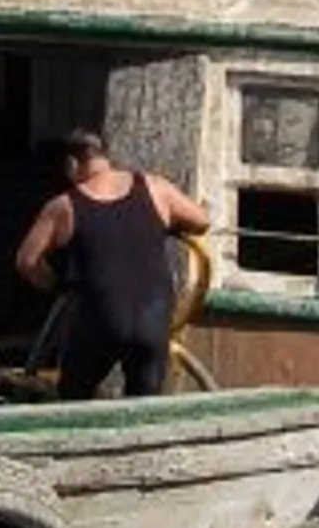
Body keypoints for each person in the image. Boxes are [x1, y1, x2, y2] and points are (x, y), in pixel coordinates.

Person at [14, 129, 209, 400]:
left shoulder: (63, 207)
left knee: (72, 403)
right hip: (152, 324)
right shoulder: (155, 187)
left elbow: (27, 261)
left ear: (71, 164)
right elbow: (201, 221)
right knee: (144, 411)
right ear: (106, 156)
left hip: (99, 322)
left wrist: (57, 284)